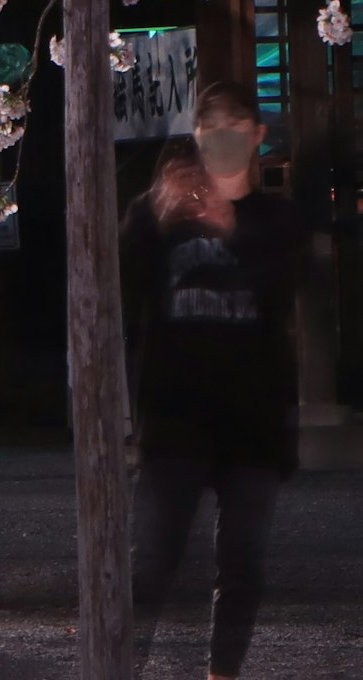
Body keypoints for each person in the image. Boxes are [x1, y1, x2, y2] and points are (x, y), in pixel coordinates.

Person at [120, 85, 307, 680]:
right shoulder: (157, 217)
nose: (222, 134)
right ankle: (122, 666)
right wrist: (153, 211)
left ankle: (222, 673)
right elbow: (114, 287)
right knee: (150, 561)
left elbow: (282, 289)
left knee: (242, 564)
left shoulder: (278, 217)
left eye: (235, 123)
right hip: (174, 417)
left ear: (258, 135)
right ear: (195, 135)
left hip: (253, 419)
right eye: (210, 124)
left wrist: (229, 229)